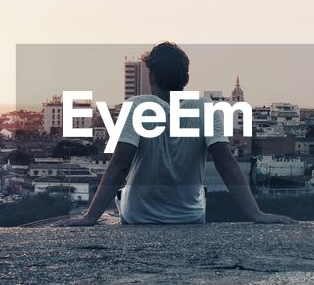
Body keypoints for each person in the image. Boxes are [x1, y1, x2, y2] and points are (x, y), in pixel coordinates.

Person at [64, 42, 293, 226]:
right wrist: (256, 214)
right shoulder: (206, 108)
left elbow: (120, 165)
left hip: (139, 216)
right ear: (186, 79)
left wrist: (91, 217)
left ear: (151, 76)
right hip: (188, 216)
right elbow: (226, 164)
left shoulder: (136, 105)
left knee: (122, 194)